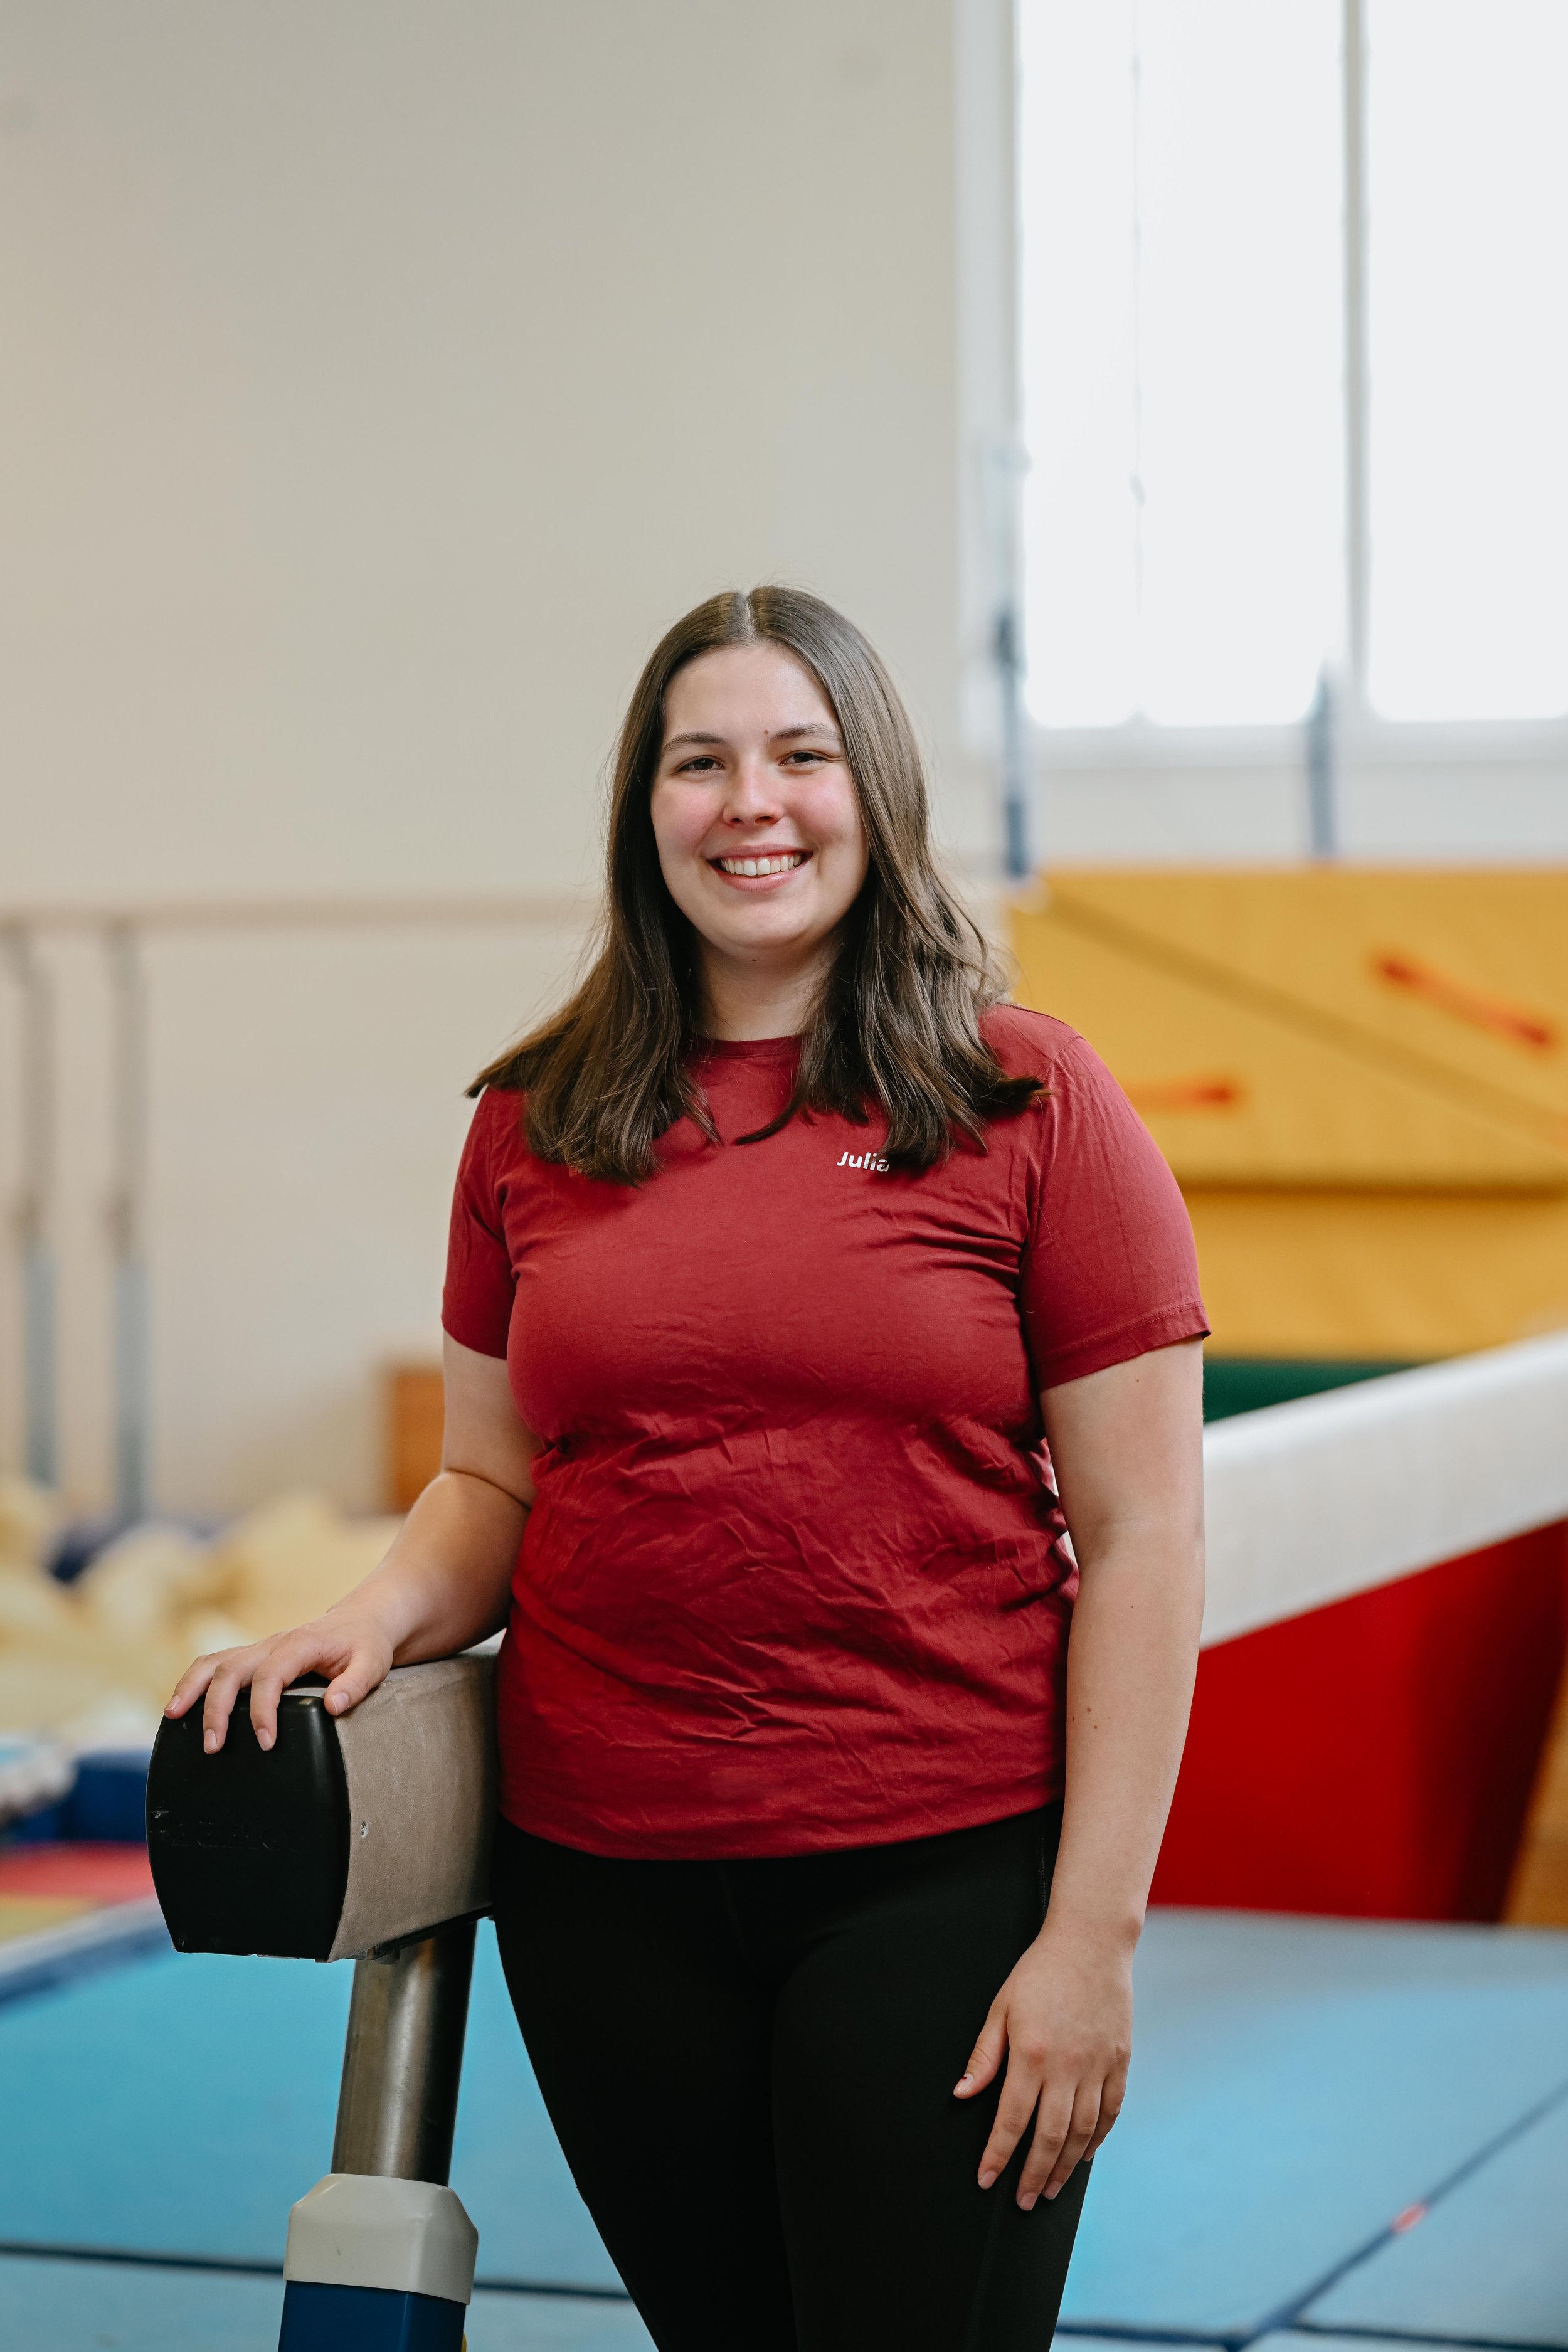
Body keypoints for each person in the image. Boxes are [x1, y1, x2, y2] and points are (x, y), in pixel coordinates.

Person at [168, 586, 1208, 2352]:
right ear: (642, 807)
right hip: (606, 1888)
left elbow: (1145, 1530)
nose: (751, 804)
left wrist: (1090, 1935)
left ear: (869, 792)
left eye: (801, 756)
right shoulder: (536, 1115)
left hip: (936, 1866)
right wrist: (369, 1620)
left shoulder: (1024, 1097)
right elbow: (487, 1483)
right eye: (698, 761)